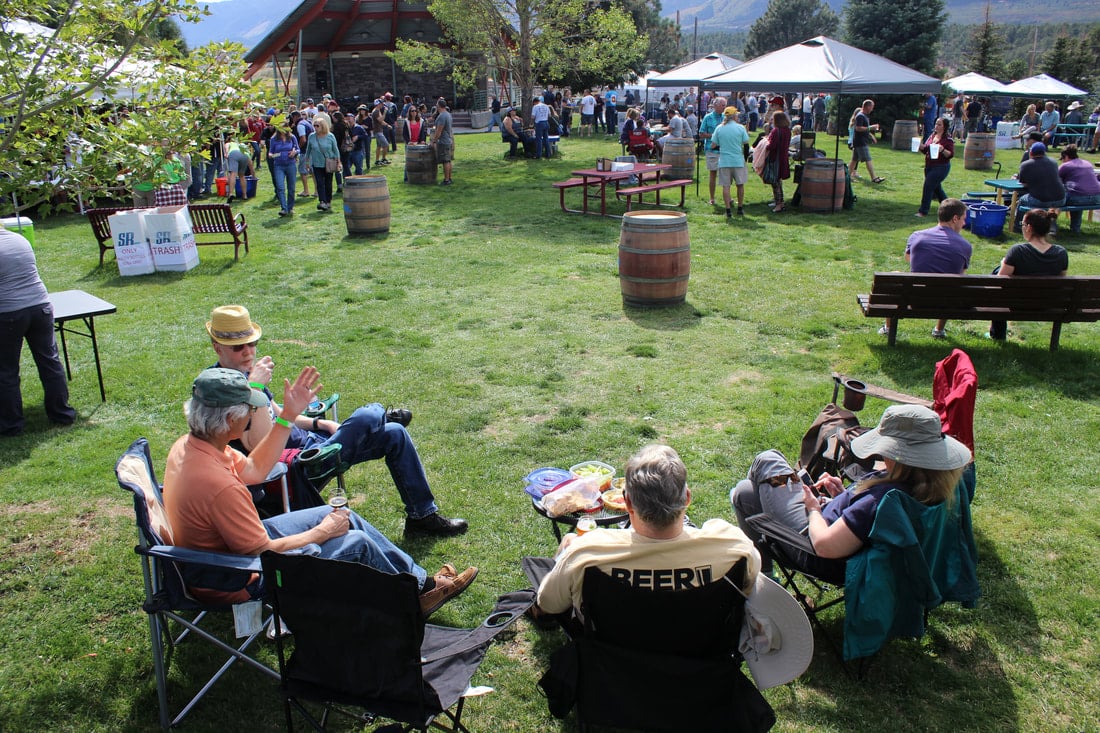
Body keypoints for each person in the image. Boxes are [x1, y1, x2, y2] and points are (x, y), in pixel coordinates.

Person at [164, 367, 476, 615]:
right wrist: (321, 533)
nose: (251, 415)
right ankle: (412, 598)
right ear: (231, 419)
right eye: (249, 409)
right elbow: (263, 552)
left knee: (341, 515)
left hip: (230, 550)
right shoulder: (220, 487)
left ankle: (423, 585)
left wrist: (288, 416)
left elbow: (255, 469)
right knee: (355, 542)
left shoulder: (192, 445)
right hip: (237, 575)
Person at [205, 305, 468, 536]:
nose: (248, 352)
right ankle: (377, 415)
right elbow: (259, 445)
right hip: (299, 465)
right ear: (217, 347)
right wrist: (255, 390)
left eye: (252, 343)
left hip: (315, 442)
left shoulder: (247, 372)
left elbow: (281, 415)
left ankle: (422, 516)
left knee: (395, 433)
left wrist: (323, 424)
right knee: (367, 416)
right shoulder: (220, 388)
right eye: (239, 347)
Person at [731, 405, 970, 585]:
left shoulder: (881, 500)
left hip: (810, 545)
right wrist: (844, 497)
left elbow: (825, 546)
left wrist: (814, 509)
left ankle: (763, 578)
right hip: (843, 540)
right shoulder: (928, 488)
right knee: (746, 493)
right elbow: (869, 526)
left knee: (769, 460)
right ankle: (765, 578)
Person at [535, 444, 759, 620]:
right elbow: (750, 589)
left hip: (610, 663)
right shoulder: (734, 546)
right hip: (703, 662)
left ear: (628, 503)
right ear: (687, 498)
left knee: (568, 541)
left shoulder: (586, 553)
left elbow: (548, 604)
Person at [0, 228, 76, 436]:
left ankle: (11, 425)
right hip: (40, 307)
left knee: (6, 371)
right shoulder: (18, 239)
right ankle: (62, 414)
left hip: (8, 313)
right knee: (50, 362)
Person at [879, 198, 971, 339]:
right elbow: (960, 273)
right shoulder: (965, 246)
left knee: (895, 275)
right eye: (963, 219)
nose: (964, 224)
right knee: (952, 283)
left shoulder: (917, 236)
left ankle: (888, 328)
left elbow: (909, 258)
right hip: (947, 302)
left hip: (915, 299)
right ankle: (939, 330)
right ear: (955, 218)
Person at [988, 209, 1069, 341]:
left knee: (998, 272)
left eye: (1023, 224)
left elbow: (999, 283)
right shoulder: (1061, 253)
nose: (1022, 228)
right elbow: (1061, 281)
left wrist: (1004, 263)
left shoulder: (1018, 251)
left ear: (1029, 227)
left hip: (1017, 304)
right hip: (1046, 304)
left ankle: (998, 335)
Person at [1014, 142, 1066, 233]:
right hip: (1060, 199)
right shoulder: (1053, 162)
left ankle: (1018, 226)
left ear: (1031, 153)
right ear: (1044, 152)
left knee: (1022, 200)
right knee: (1051, 206)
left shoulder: (1026, 164)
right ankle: (1051, 226)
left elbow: (1023, 183)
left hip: (1041, 200)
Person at [710, 106, 750, 218]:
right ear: (734, 116)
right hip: (738, 160)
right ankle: (740, 208)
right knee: (740, 185)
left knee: (726, 186)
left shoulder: (719, 128)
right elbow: (745, 143)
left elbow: (713, 145)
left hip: (724, 160)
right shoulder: (740, 128)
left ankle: (728, 210)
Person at [916, 117, 955, 218]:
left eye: (939, 124)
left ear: (944, 127)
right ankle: (950, 209)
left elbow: (950, 155)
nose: (936, 126)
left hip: (941, 167)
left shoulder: (948, 139)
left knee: (928, 187)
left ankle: (923, 211)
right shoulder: (932, 136)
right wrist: (920, 146)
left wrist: (942, 150)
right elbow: (926, 150)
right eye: (936, 124)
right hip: (929, 166)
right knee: (937, 190)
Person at [1058, 145, 1100, 233]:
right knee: (1077, 194)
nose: (1062, 161)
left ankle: (1052, 228)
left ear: (1066, 156)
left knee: (1055, 201)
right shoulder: (1087, 163)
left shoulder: (1065, 166)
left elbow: (1055, 182)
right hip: (1096, 197)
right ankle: (1075, 229)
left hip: (1078, 198)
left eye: (1062, 158)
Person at [302, 114, 339, 212]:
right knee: (319, 183)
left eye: (317, 126)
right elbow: (308, 150)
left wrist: (338, 161)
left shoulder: (330, 136)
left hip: (328, 163)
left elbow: (335, 150)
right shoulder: (312, 136)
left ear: (323, 126)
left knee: (328, 183)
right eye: (314, 125)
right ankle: (322, 201)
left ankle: (328, 201)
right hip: (317, 164)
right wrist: (307, 162)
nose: (315, 128)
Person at [698, 96, 727, 206]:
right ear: (715, 106)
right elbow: (701, 133)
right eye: (722, 105)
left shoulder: (726, 117)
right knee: (713, 174)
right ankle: (712, 198)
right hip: (712, 150)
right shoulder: (708, 117)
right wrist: (714, 136)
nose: (724, 107)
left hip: (724, 149)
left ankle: (727, 197)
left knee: (725, 174)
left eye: (725, 105)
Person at [267, 122, 300, 217]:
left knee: (291, 187)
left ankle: (290, 207)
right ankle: (283, 208)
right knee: (280, 187)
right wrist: (272, 155)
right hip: (278, 165)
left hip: (291, 164)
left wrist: (294, 153)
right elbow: (271, 152)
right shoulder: (274, 139)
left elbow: (298, 149)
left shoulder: (292, 137)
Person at [763, 111, 792, 213]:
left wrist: (765, 144)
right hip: (783, 158)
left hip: (775, 159)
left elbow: (772, 146)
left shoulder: (776, 131)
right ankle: (780, 202)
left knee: (775, 183)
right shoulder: (787, 130)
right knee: (778, 182)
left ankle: (779, 205)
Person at [849, 99, 883, 183]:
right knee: (868, 159)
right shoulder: (860, 116)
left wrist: (871, 134)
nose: (872, 109)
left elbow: (864, 128)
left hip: (859, 142)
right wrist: (871, 128)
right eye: (872, 107)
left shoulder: (864, 116)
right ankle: (874, 178)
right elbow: (858, 128)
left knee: (854, 161)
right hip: (860, 142)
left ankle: (846, 177)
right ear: (867, 106)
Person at [430, 98, 455, 186]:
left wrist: (434, 141)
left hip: (444, 141)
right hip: (448, 140)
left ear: (438, 106)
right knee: (448, 161)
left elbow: (439, 131)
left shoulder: (442, 116)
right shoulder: (448, 114)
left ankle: (446, 180)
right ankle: (449, 178)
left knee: (445, 161)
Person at [532, 96, 552, 160]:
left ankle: (538, 155)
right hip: (546, 122)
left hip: (539, 123)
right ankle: (548, 154)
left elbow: (533, 117)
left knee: (539, 139)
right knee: (546, 138)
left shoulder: (535, 107)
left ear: (534, 102)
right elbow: (549, 115)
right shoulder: (546, 106)